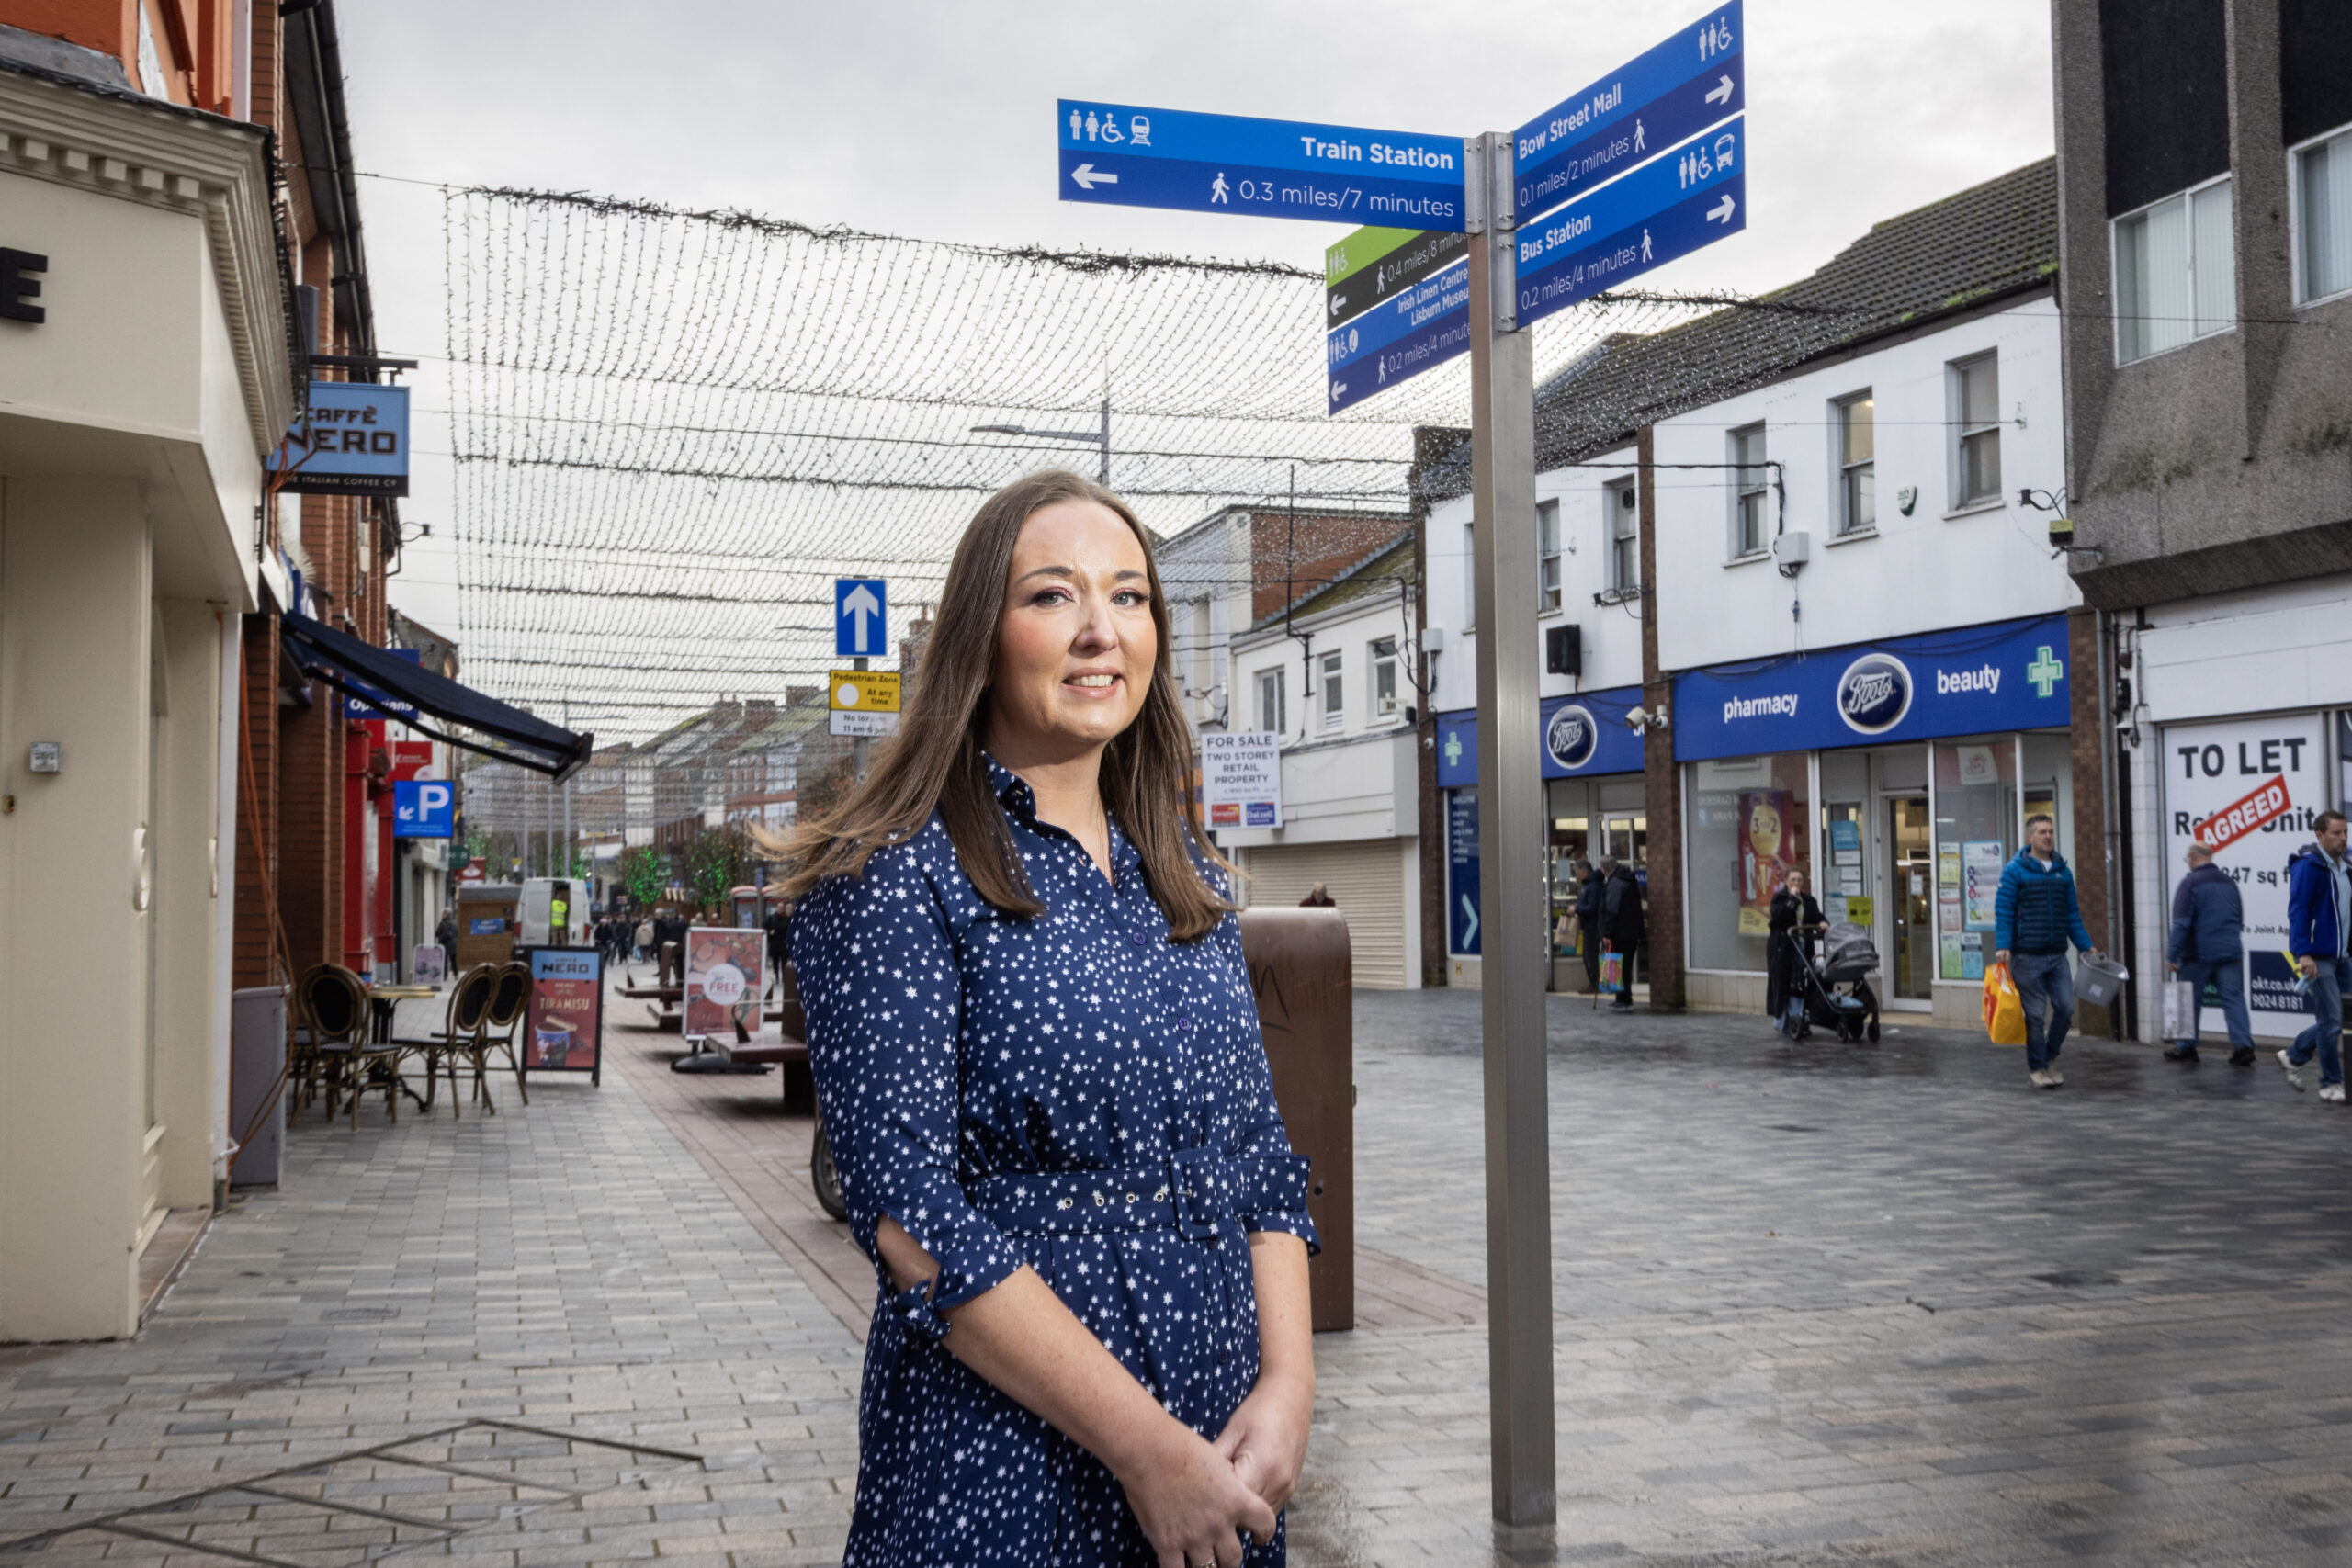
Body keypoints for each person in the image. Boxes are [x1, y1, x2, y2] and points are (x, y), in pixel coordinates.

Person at [785, 469, 1316, 1567]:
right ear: (981, 636)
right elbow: (909, 1220)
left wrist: (1290, 1385)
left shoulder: (1185, 882)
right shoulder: (891, 877)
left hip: (1219, 1455)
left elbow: (1260, 1162)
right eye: (1052, 597)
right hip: (1008, 1471)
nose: (1098, 632)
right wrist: (1145, 1453)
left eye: (1129, 598)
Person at [1994, 814, 2102, 1091]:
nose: (2048, 836)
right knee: (2035, 1016)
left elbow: (2072, 915)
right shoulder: (2014, 870)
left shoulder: (2062, 871)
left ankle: (2049, 1056)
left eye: (2051, 831)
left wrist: (2085, 945)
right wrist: (2003, 945)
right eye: (2042, 832)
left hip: (2057, 956)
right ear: (2030, 837)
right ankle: (2038, 1068)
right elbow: (2004, 910)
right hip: (2026, 956)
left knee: (2065, 1008)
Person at [2281, 809, 2352, 1101]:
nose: (2343, 838)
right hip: (2318, 958)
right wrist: (2302, 953)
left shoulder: (2346, 867)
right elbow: (2298, 911)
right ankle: (2329, 1084)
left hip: (2343, 957)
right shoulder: (2309, 867)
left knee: (2340, 1021)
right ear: (2319, 835)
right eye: (2337, 833)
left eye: (2345, 832)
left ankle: (2295, 1055)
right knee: (2333, 1021)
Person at [2165, 840, 2252, 1065]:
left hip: (2198, 955)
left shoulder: (2190, 883)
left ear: (2193, 857)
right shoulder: (2229, 882)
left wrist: (2172, 955)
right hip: (2231, 952)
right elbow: (2239, 919)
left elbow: (2182, 923)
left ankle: (2186, 1048)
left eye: (2188, 859)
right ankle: (2243, 1047)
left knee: (2187, 1000)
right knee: (2234, 999)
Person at [1765, 867, 1828, 1032]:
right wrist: (1792, 899)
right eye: (1793, 880)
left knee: (1801, 982)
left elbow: (1817, 916)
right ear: (1786, 881)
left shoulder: (1808, 900)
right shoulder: (1780, 898)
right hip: (1783, 949)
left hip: (1802, 946)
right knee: (1784, 983)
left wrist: (1822, 923)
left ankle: (1799, 1019)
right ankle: (1783, 1022)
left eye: (1799, 880)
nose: (1796, 883)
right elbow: (1778, 918)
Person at [1600, 856, 1644, 1010]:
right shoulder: (1627, 879)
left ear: (1604, 869)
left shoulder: (1616, 883)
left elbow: (1612, 910)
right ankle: (1623, 998)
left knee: (1621, 967)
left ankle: (1623, 999)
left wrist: (1607, 933)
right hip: (1630, 931)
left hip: (1622, 932)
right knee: (1624, 966)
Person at [1573, 858, 1603, 994]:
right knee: (1587, 955)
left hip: (1592, 926)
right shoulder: (1588, 885)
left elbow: (1592, 907)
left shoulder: (1593, 886)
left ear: (1585, 872)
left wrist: (1577, 909)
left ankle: (1595, 983)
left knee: (1590, 955)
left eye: (1577, 872)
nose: (1576, 875)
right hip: (1588, 925)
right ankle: (1593, 982)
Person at [435, 909, 458, 974]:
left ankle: (444, 975)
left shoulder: (443, 923)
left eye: (443, 914)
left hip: (444, 944)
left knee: (444, 961)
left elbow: (437, 933)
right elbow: (457, 933)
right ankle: (456, 974)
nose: (441, 915)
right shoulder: (454, 923)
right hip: (453, 945)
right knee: (453, 960)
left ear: (446, 915)